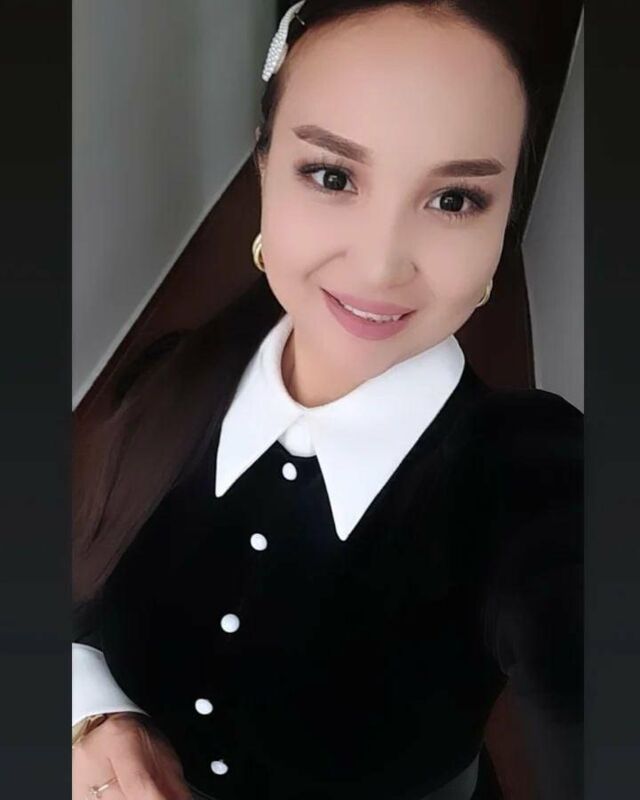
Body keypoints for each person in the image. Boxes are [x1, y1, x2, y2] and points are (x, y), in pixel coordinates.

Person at [71, 2, 583, 799]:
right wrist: (92, 713)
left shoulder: (534, 475)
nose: (381, 266)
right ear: (264, 167)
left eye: (454, 199)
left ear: (504, 220)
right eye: (333, 176)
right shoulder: (162, 379)